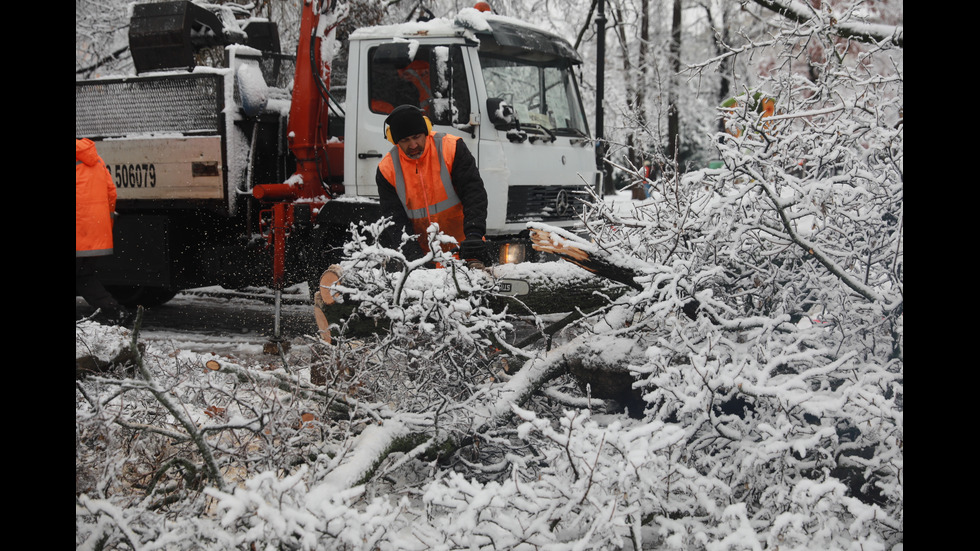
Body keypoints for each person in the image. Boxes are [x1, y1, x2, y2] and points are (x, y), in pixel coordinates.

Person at [375, 105, 489, 265]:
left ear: (426, 131)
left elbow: (473, 194)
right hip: (424, 257)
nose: (413, 145)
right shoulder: (387, 170)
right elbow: (395, 219)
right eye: (405, 140)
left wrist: (474, 234)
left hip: (466, 248)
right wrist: (413, 258)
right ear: (395, 141)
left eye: (416, 137)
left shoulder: (452, 148)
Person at [76, 138, 131, 325]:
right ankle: (115, 313)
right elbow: (111, 193)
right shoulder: (96, 159)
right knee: (84, 277)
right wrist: (103, 225)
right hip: (94, 231)